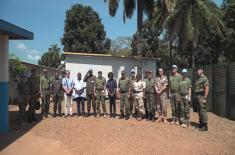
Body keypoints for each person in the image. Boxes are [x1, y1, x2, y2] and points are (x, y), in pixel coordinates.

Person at [195, 67, 209, 131]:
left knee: (203, 110)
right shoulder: (198, 78)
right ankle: (201, 123)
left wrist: (205, 98)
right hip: (198, 96)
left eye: (199, 70)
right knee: (199, 110)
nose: (197, 71)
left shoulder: (204, 78)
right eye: (197, 70)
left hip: (202, 96)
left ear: (202, 71)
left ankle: (205, 125)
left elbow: (207, 88)